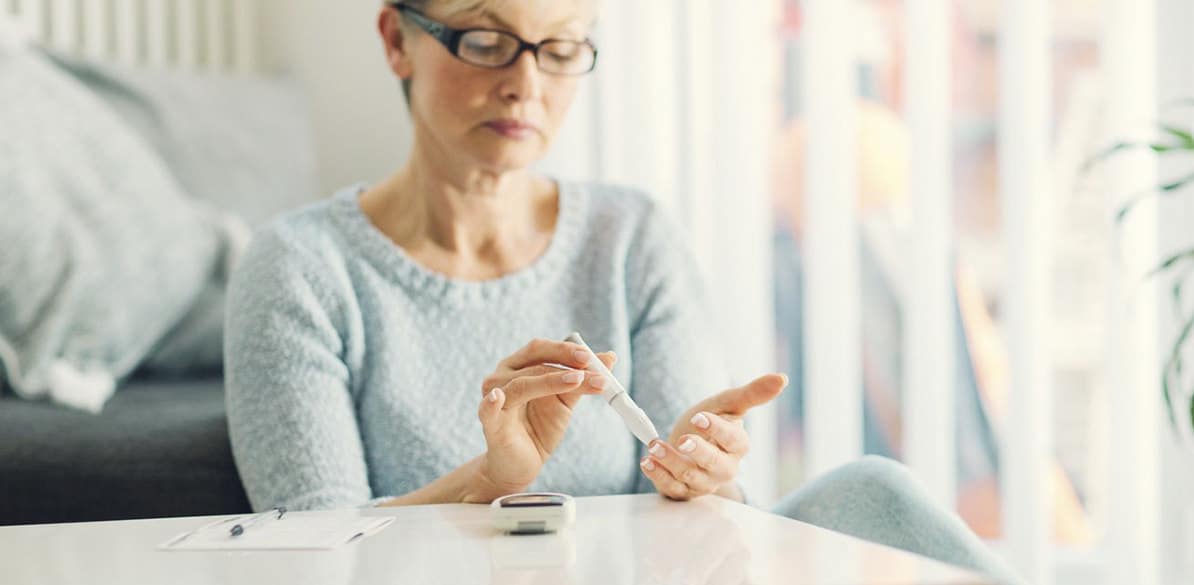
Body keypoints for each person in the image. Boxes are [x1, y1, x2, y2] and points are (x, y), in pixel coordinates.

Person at [224, 2, 1024, 583]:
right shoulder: (300, 267)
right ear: (397, 39)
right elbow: (308, 553)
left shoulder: (630, 235)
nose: (525, 85)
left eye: (562, 48)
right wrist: (486, 483)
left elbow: (706, 529)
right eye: (484, 40)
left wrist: (708, 475)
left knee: (872, 491)